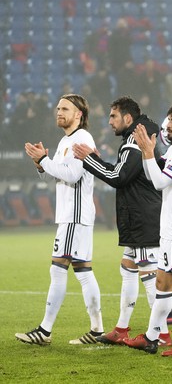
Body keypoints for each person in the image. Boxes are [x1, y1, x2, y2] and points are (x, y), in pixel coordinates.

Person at [72, 96, 172, 346]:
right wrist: (96, 159)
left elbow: (119, 177)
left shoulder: (135, 141)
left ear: (128, 118)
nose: (109, 122)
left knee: (151, 277)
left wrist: (89, 159)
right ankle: (121, 329)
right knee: (128, 269)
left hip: (144, 217)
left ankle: (161, 335)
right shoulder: (138, 136)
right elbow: (124, 173)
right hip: (136, 217)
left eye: (113, 116)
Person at [16, 94, 104, 345]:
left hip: (74, 215)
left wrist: (44, 160)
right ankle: (97, 330)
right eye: (57, 108)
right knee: (84, 271)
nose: (59, 112)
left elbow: (73, 175)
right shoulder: (66, 140)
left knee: (58, 269)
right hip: (74, 214)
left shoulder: (82, 138)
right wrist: (41, 164)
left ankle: (44, 331)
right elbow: (58, 174)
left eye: (65, 108)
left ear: (79, 114)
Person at [123, 104, 172, 356]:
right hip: (171, 227)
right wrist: (151, 153)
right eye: (167, 119)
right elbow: (154, 174)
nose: (167, 125)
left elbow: (158, 182)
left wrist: (147, 151)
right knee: (163, 281)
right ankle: (150, 338)